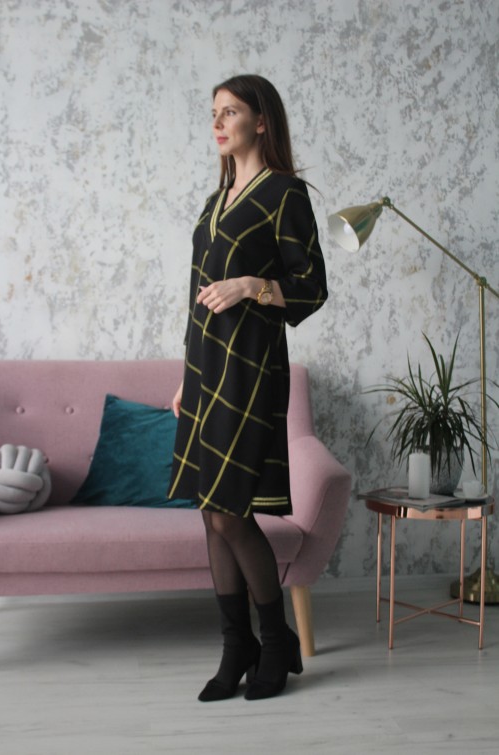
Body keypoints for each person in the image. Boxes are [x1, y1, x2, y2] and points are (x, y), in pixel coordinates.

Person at [168, 74, 328, 702]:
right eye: (213, 112)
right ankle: (238, 648)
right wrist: (186, 378)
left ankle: (275, 641)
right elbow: (195, 300)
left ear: (261, 121)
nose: (217, 122)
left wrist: (250, 286)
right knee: (212, 513)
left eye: (229, 111)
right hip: (208, 369)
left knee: (232, 513)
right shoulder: (215, 202)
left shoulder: (285, 194)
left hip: (252, 367)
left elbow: (311, 286)